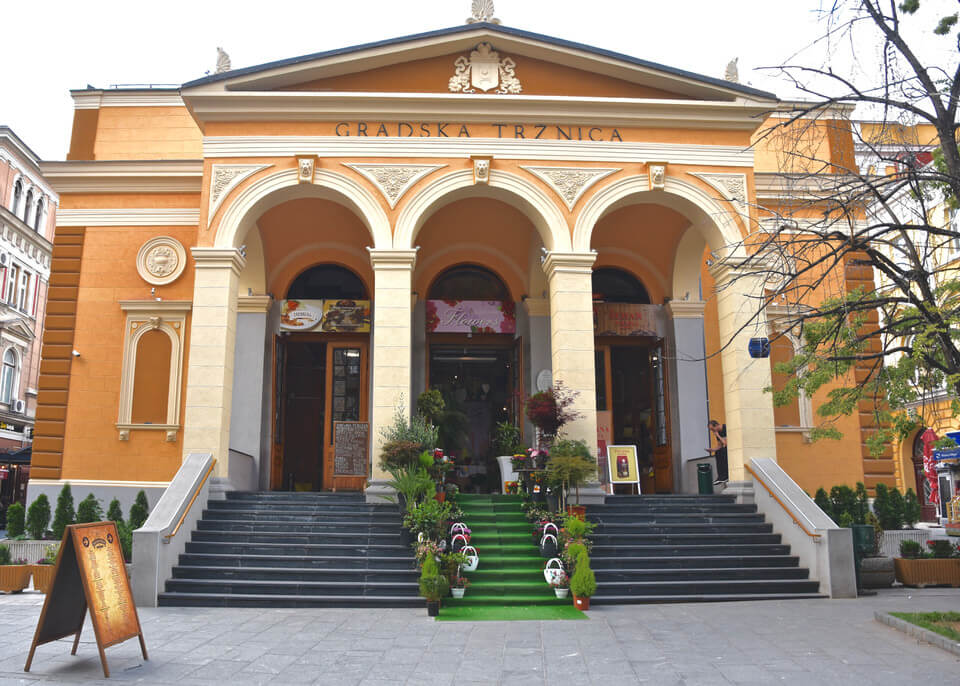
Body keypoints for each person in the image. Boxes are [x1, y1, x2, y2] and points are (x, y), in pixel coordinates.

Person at [708, 419, 728, 485]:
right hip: (725, 448)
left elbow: (726, 443)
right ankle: (721, 477)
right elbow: (720, 445)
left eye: (713, 429)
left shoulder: (726, 428)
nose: (713, 431)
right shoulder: (718, 432)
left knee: (723, 451)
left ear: (716, 425)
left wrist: (718, 436)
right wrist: (713, 449)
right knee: (718, 452)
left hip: (730, 448)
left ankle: (725, 476)